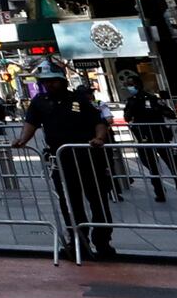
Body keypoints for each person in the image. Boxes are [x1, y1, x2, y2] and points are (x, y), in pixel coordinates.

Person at [19, 61, 115, 259]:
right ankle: (78, 240)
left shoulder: (79, 99)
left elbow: (99, 122)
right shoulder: (40, 101)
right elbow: (31, 123)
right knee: (69, 202)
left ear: (61, 81)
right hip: (62, 160)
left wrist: (99, 138)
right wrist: (21, 140)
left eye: (53, 81)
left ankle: (103, 241)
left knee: (98, 199)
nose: (49, 85)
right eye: (45, 82)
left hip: (88, 158)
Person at [121, 72, 177, 204]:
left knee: (173, 166)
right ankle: (160, 193)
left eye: (131, 84)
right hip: (145, 138)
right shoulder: (131, 101)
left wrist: (155, 111)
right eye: (128, 85)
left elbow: (170, 113)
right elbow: (127, 117)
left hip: (160, 136)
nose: (129, 87)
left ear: (138, 85)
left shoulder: (153, 99)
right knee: (152, 168)